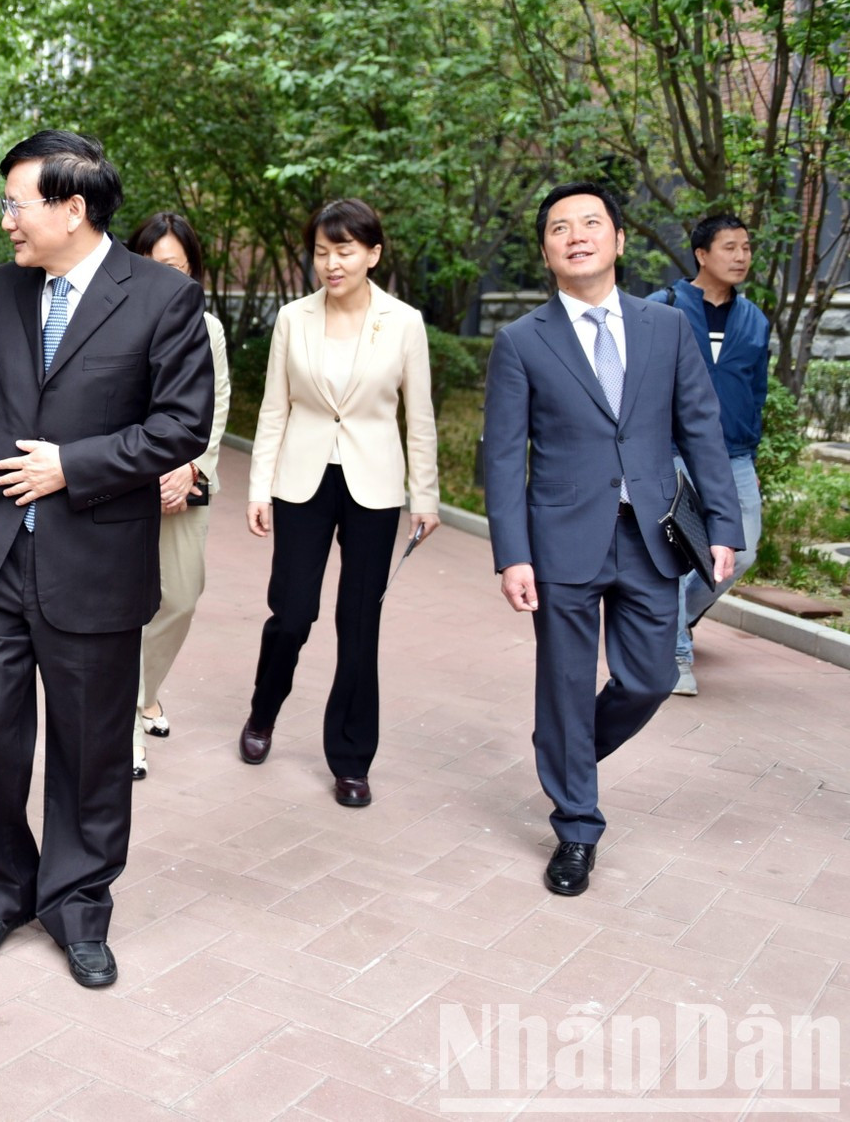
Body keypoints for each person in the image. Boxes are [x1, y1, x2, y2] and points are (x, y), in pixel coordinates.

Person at [0, 130, 213, 989]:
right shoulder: (3, 291)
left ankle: (78, 906)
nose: (6, 220)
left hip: (94, 560)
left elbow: (182, 426)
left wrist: (74, 466)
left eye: (17, 202)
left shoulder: (165, 297)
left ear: (73, 206)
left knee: (91, 747)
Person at [483, 182, 742, 898]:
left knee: (650, 677)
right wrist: (512, 552)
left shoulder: (667, 330)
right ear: (546, 251)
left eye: (591, 223)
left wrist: (724, 522)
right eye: (560, 227)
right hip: (561, 537)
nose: (577, 235)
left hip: (651, 535)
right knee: (566, 682)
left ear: (619, 240)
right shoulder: (523, 341)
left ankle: (568, 753)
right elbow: (504, 456)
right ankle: (576, 825)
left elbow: (700, 428)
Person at [240, 199, 440, 809]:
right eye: (322, 251)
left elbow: (420, 417)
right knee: (293, 614)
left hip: (373, 487)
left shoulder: (404, 322)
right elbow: (275, 409)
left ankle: (352, 759)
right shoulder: (292, 319)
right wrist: (258, 486)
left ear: (373, 254)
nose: (331, 262)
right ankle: (263, 710)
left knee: (360, 623)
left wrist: (424, 495)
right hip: (301, 480)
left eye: (344, 250)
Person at [124, 212, 229, 781]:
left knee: (182, 598)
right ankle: (127, 725)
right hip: (124, 484)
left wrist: (190, 470)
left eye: (178, 268)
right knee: (127, 607)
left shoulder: (206, 328)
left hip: (184, 484)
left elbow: (217, 404)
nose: (166, 278)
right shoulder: (112, 321)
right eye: (154, 265)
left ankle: (146, 692)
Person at [657, 214, 769, 696]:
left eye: (746, 247)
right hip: (675, 448)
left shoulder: (755, 319)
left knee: (741, 551)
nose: (741, 256)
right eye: (730, 247)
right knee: (684, 552)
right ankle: (675, 650)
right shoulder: (663, 309)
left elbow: (757, 388)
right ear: (702, 254)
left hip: (736, 454)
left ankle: (667, 620)